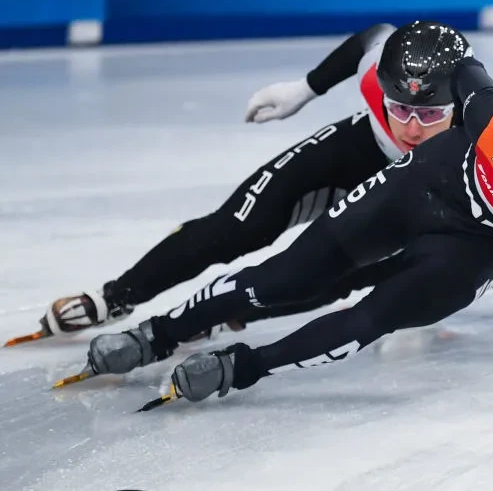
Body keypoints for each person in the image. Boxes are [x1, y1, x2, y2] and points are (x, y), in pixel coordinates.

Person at [59, 32, 493, 412]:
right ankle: (160, 332)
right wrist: (313, 85)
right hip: (420, 191)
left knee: (371, 318)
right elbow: (437, 49)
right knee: (283, 280)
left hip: (476, 252)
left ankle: (243, 367)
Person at [11, 21, 463, 346]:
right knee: (236, 227)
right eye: (398, 108)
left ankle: (228, 314)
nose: (411, 128)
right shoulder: (375, 82)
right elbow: (373, 35)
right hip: (361, 149)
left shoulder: (481, 131)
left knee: (333, 273)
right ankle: (117, 296)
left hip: (421, 190)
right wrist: (304, 89)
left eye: (428, 115)